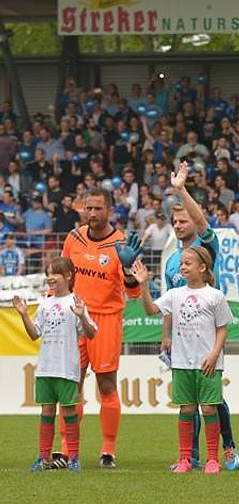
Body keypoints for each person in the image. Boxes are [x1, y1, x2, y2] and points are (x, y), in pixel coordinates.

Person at [163, 162, 239, 471]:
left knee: (212, 400)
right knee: (188, 401)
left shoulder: (207, 248)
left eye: (184, 220)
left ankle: (228, 447)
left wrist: (181, 190)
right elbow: (170, 303)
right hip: (182, 340)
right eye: (175, 221)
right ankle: (190, 455)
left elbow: (201, 220)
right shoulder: (172, 262)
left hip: (209, 336)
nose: (179, 225)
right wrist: (165, 335)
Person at [58, 188, 142, 469]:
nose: (92, 214)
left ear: (109, 211)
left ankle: (108, 449)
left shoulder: (121, 244)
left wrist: (128, 270)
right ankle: (67, 448)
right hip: (75, 317)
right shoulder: (74, 237)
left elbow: (133, 293)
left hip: (106, 319)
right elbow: (62, 277)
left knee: (106, 384)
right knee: (71, 384)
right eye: (89, 208)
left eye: (98, 208)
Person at [131, 247, 233, 474]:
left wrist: (214, 354)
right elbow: (150, 310)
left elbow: (222, 328)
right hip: (181, 363)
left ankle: (212, 459)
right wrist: (143, 285)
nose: (183, 267)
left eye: (188, 263)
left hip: (208, 364)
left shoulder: (214, 296)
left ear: (202, 267)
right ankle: (185, 458)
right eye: (182, 264)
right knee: (187, 409)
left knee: (209, 409)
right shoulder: (175, 294)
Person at [13, 258, 97, 472]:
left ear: (68, 276)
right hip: (45, 368)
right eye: (48, 274)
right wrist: (24, 315)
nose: (50, 278)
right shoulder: (44, 303)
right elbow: (35, 334)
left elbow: (91, 333)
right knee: (47, 410)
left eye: (55, 274)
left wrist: (82, 317)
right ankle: (43, 457)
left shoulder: (75, 302)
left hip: (66, 368)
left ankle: (74, 457)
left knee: (68, 412)